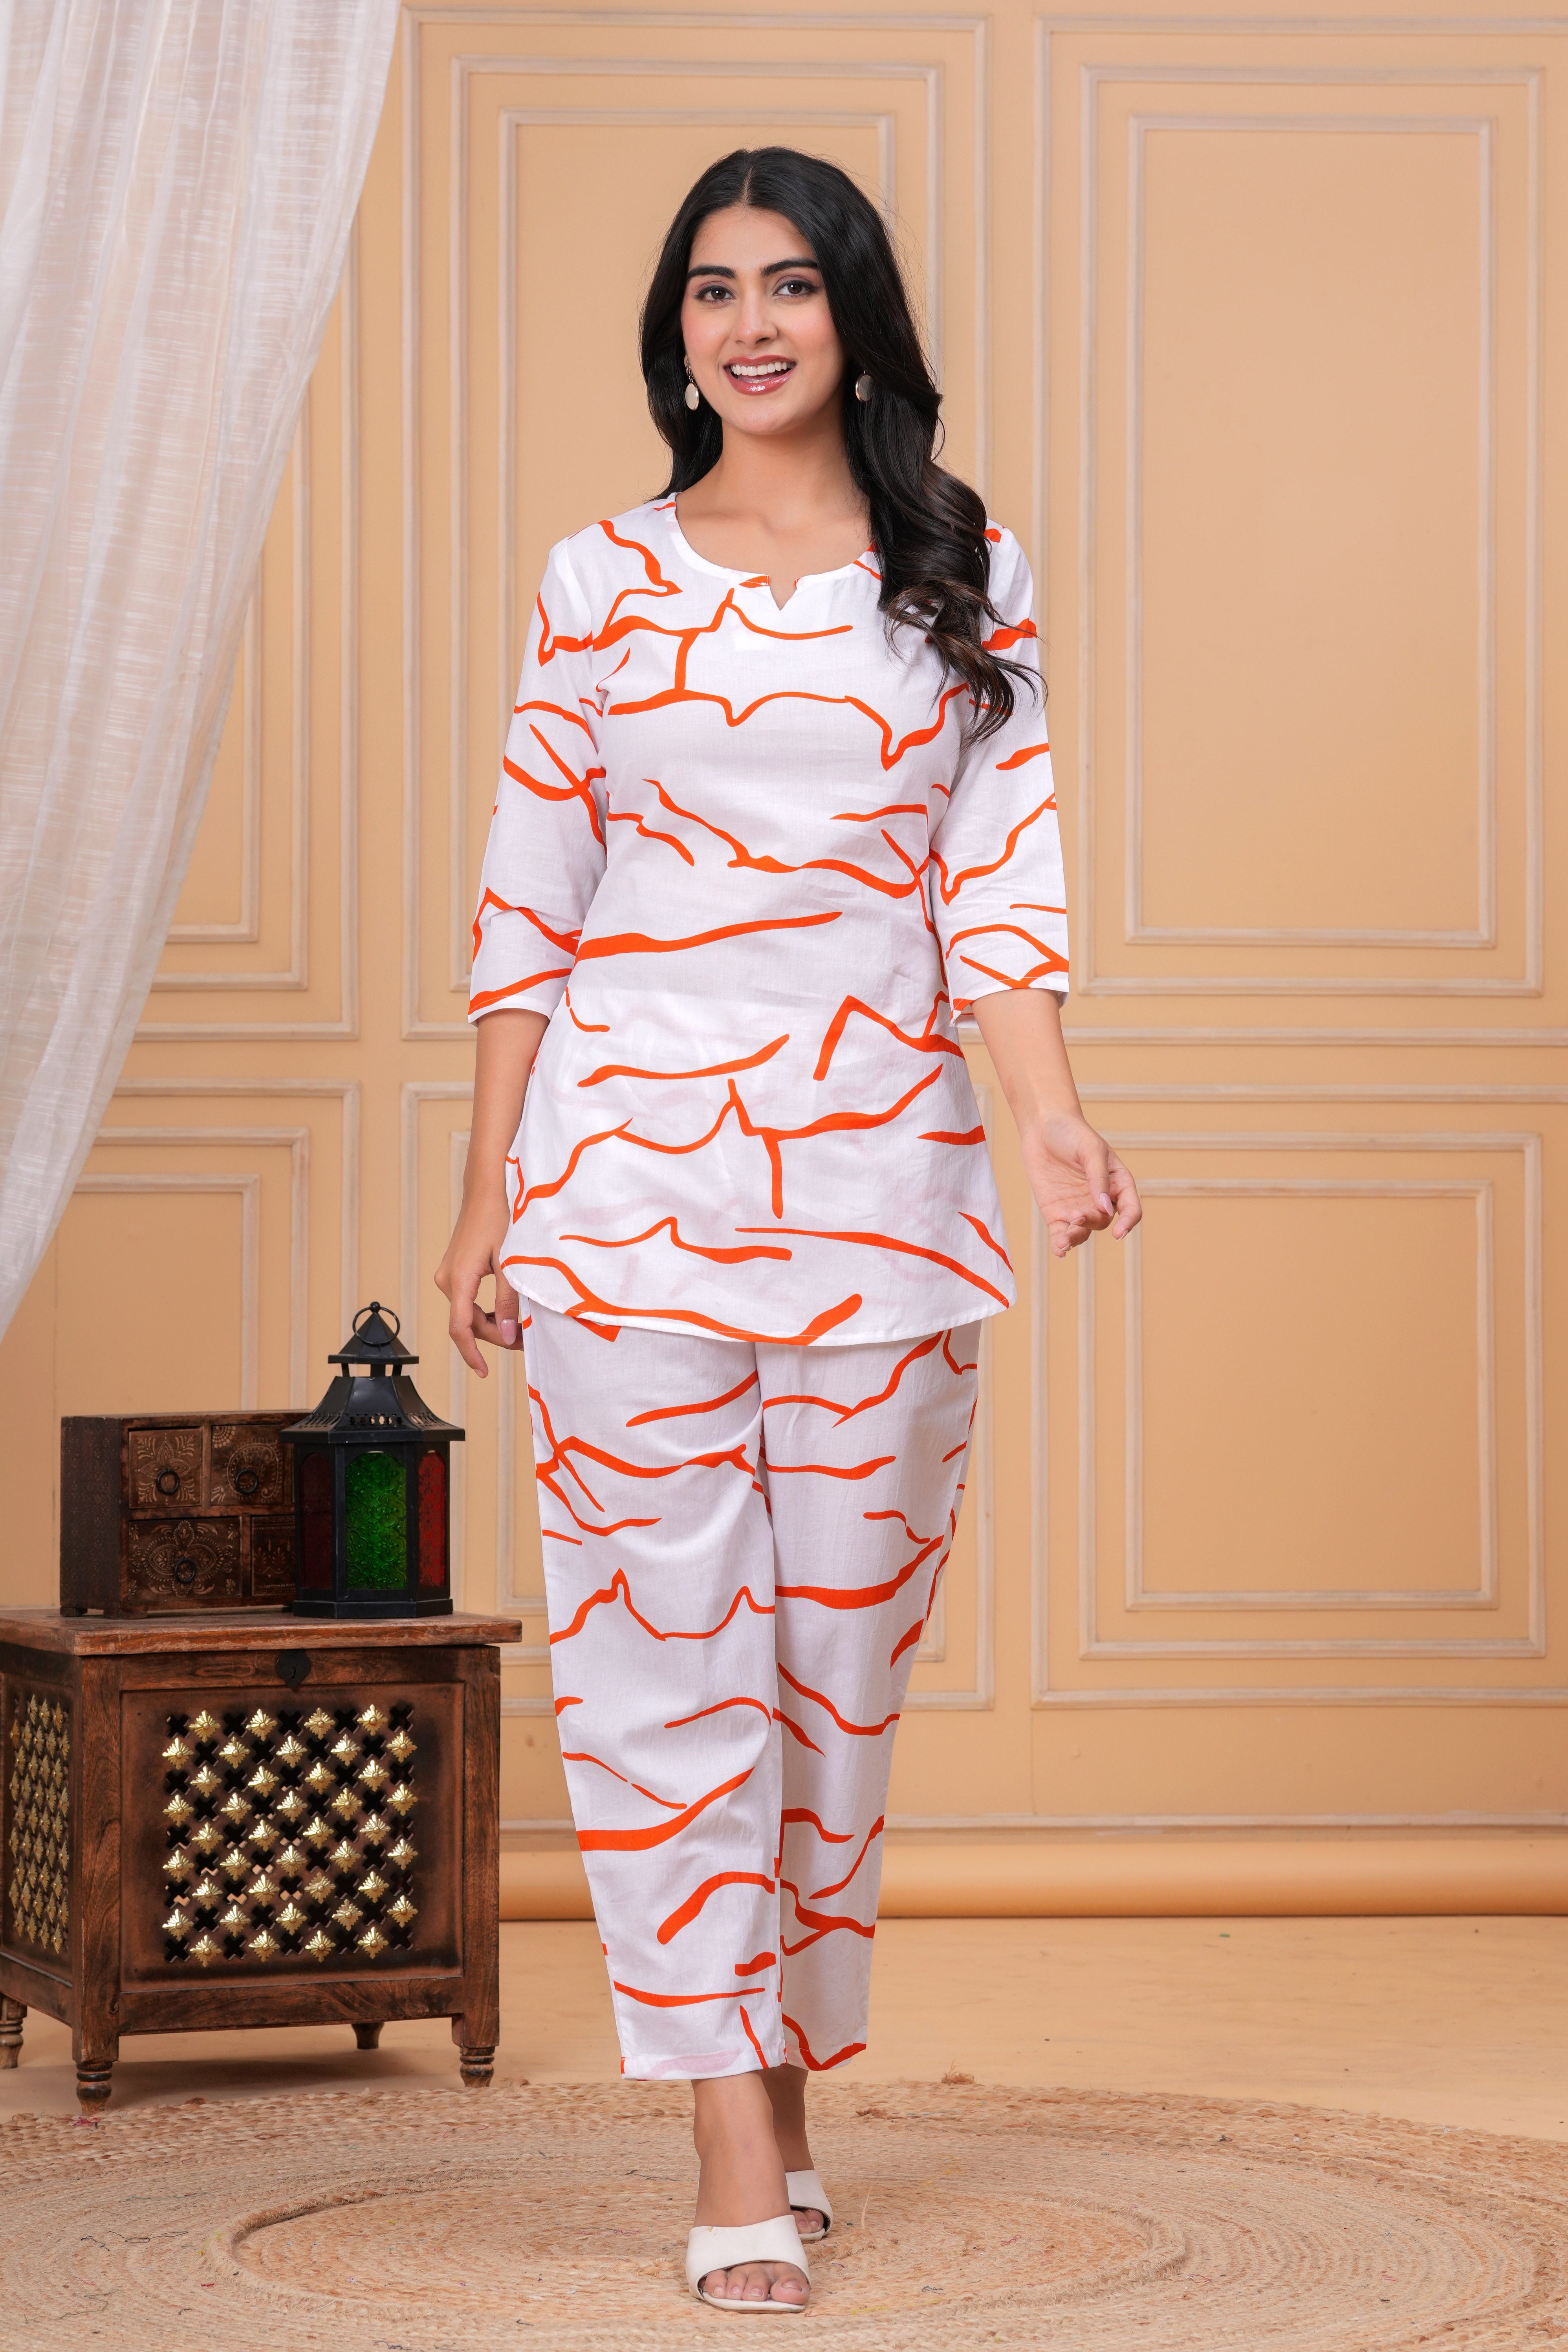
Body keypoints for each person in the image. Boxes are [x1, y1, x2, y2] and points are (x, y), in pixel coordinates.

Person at [436, 144, 1140, 2315]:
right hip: (619, 1184)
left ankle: (784, 2063)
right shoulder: (600, 578)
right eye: (711, 289)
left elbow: (994, 879)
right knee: (660, 1662)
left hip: (884, 1191)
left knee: (834, 1674)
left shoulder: (961, 569)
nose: (748, 324)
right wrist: (484, 1193)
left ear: (855, 318)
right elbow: (533, 895)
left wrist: (1049, 1120)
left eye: (790, 286)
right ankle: (730, 2134)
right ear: (677, 333)